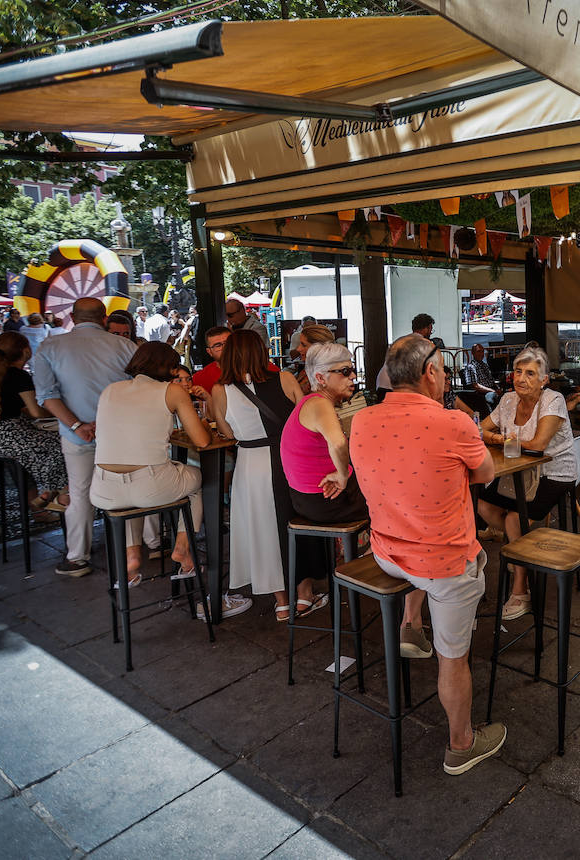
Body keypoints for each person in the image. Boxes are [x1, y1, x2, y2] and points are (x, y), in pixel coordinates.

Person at [348, 332, 507, 776]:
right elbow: (486, 474)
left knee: (419, 532)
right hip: (442, 567)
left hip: (386, 553)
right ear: (430, 373)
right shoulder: (452, 421)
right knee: (453, 657)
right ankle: (461, 743)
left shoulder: (362, 420)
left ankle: (410, 623)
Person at [90, 341, 211, 587]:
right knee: (198, 478)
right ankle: (182, 548)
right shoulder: (171, 391)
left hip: (104, 490)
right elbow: (201, 440)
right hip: (150, 486)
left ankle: (132, 556)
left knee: (131, 498)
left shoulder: (110, 390)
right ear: (168, 367)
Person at [32, 297, 138, 577]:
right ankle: (136, 549)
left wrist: (78, 425)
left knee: (79, 493)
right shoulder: (125, 345)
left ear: (72, 316)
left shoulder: (49, 346)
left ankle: (77, 557)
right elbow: (137, 389)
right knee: (127, 489)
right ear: (104, 318)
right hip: (120, 432)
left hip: (76, 434)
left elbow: (46, 396)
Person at [210, 330, 308, 619]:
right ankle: (304, 593)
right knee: (295, 523)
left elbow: (226, 433)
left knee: (263, 529)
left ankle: (281, 601)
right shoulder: (286, 379)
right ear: (261, 352)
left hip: (251, 464)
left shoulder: (220, 390)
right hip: (289, 461)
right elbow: (305, 418)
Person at [477, 347, 579, 620]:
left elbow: (538, 445)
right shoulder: (509, 399)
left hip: (554, 472)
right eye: (518, 372)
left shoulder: (553, 400)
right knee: (483, 506)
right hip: (519, 474)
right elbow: (480, 429)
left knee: (513, 517)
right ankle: (520, 546)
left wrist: (497, 439)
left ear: (544, 379)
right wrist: (497, 438)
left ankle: (521, 590)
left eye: (530, 373)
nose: (521, 378)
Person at [280, 342, 370, 615]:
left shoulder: (311, 404)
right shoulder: (320, 404)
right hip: (326, 501)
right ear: (320, 378)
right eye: (344, 371)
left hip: (307, 500)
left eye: (352, 370)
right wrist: (342, 476)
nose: (352, 377)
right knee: (401, 497)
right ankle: (382, 563)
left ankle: (370, 556)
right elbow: (339, 445)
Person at [0, 331, 69, 515]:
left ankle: (50, 495)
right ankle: (58, 496)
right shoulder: (19, 376)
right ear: (26, 351)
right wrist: (59, 411)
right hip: (12, 437)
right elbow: (36, 412)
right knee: (66, 444)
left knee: (56, 443)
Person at [457, 343, 501, 414]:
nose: (481, 354)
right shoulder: (471, 367)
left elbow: (491, 381)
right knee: (493, 397)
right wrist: (493, 391)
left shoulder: (485, 365)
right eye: (478, 351)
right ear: (473, 353)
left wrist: (497, 388)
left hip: (491, 389)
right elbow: (475, 386)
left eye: (482, 351)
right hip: (481, 393)